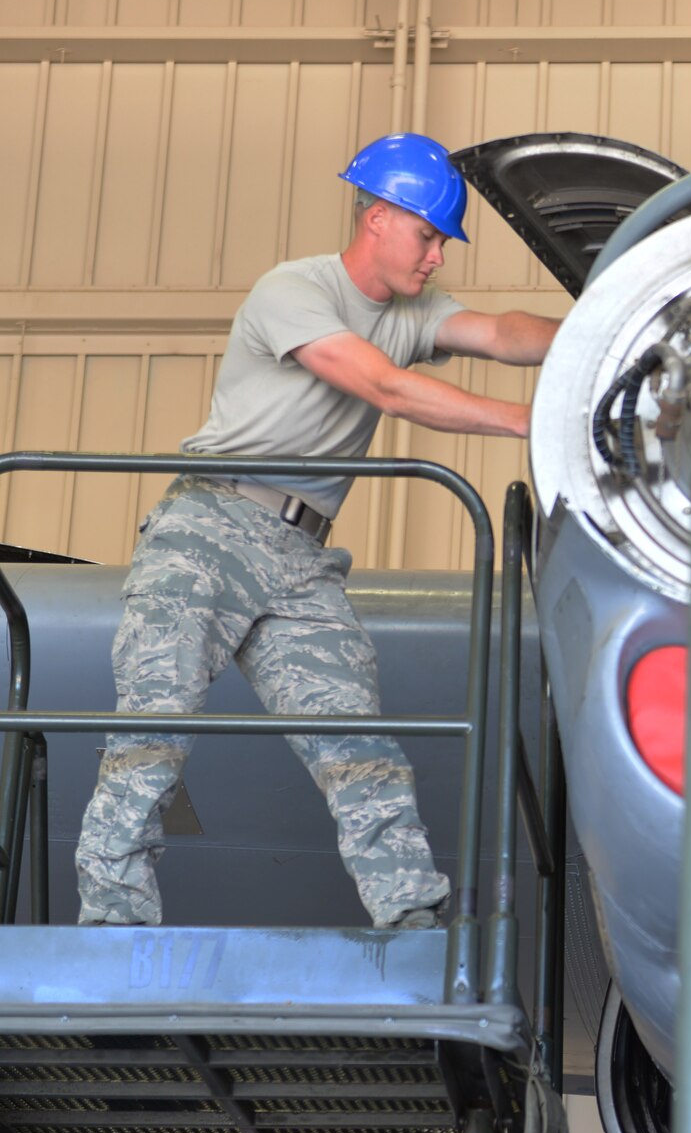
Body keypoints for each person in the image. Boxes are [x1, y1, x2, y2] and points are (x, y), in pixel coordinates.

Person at [76, 132, 561, 930]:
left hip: (301, 560)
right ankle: (113, 926)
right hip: (211, 527)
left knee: (357, 739)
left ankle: (409, 919)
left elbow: (503, 333)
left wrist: (607, 334)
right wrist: (533, 420)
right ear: (379, 217)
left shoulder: (414, 313)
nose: (437, 256)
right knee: (153, 727)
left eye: (442, 240)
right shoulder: (293, 290)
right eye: (429, 235)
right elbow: (384, 387)